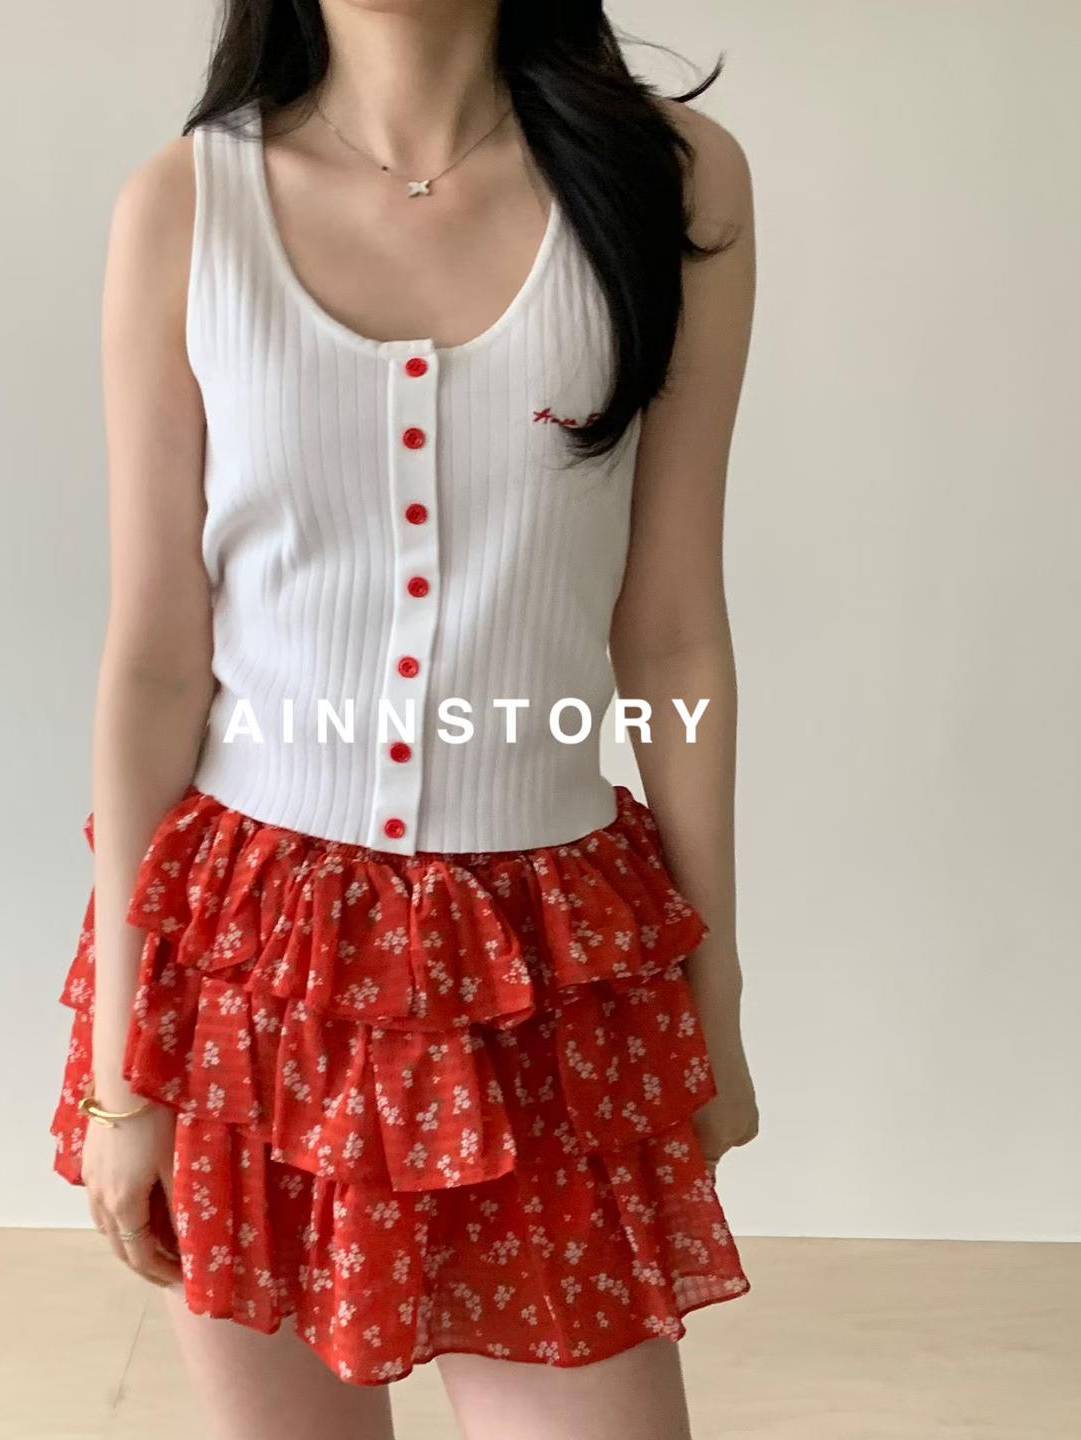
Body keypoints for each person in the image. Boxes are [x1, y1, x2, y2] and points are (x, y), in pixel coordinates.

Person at [49, 2, 759, 1435]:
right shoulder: (185, 208)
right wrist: (130, 1073)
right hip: (253, 976)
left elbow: (673, 626)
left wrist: (713, 992)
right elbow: (157, 664)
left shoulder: (673, 180)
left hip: (545, 974)